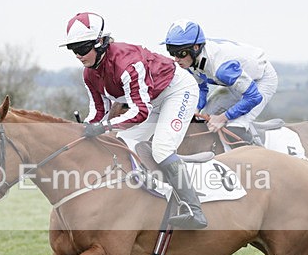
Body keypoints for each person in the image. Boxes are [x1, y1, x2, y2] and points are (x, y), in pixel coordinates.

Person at [60, 12, 207, 229]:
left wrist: (103, 127)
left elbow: (139, 111)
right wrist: (84, 128)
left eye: (82, 49)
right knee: (121, 145)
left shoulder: (127, 64)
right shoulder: (89, 74)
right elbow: (98, 111)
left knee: (162, 149)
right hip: (152, 100)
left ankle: (194, 210)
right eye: (74, 50)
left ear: (100, 42)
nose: (79, 56)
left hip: (177, 91)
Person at [161, 19, 278, 145]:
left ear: (196, 48)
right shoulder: (190, 60)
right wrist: (196, 108)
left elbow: (254, 97)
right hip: (235, 82)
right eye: (172, 53)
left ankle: (259, 154)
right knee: (203, 120)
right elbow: (201, 88)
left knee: (235, 128)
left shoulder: (221, 68)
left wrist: (223, 117)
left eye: (180, 53)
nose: (176, 59)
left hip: (261, 80)